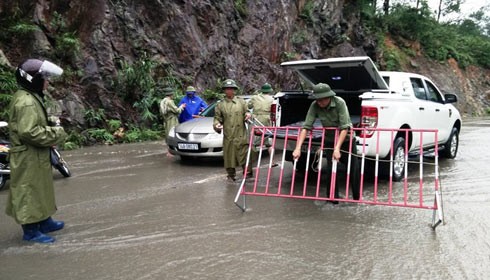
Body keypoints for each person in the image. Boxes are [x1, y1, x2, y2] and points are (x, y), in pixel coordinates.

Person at [6, 58, 68, 243]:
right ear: (33, 79)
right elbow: (29, 132)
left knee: (40, 188)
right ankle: (31, 231)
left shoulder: (30, 97)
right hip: (27, 156)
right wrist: (56, 133)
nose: (47, 81)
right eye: (44, 78)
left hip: (34, 155)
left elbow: (31, 125)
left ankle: (44, 221)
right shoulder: (26, 102)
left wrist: (48, 125)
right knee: (29, 191)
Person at [292, 83, 360, 201]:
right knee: (331, 169)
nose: (319, 102)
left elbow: (344, 127)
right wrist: (297, 148)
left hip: (346, 139)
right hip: (329, 140)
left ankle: (356, 198)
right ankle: (332, 199)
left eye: (322, 100)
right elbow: (306, 127)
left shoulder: (339, 103)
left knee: (353, 168)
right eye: (317, 99)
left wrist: (337, 149)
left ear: (329, 97)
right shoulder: (315, 105)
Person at [213, 79, 251, 181]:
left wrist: (248, 114)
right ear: (224, 90)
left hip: (241, 134)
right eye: (227, 89)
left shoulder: (241, 102)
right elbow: (217, 118)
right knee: (229, 156)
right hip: (229, 135)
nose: (229, 91)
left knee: (245, 154)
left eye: (231, 89)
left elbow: (247, 112)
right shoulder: (220, 105)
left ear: (235, 90)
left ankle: (247, 173)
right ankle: (230, 175)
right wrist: (216, 125)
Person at [248, 83, 277, 166]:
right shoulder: (272, 99)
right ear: (270, 91)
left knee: (253, 140)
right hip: (267, 119)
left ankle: (251, 161)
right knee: (269, 140)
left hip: (256, 119)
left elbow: (249, 106)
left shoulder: (254, 97)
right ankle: (272, 161)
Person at [160, 87, 186, 157]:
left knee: (167, 133)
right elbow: (177, 111)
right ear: (170, 94)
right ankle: (170, 152)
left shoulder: (162, 101)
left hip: (166, 120)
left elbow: (162, 112)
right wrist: (182, 106)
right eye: (172, 94)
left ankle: (168, 151)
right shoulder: (170, 101)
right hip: (172, 120)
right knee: (172, 133)